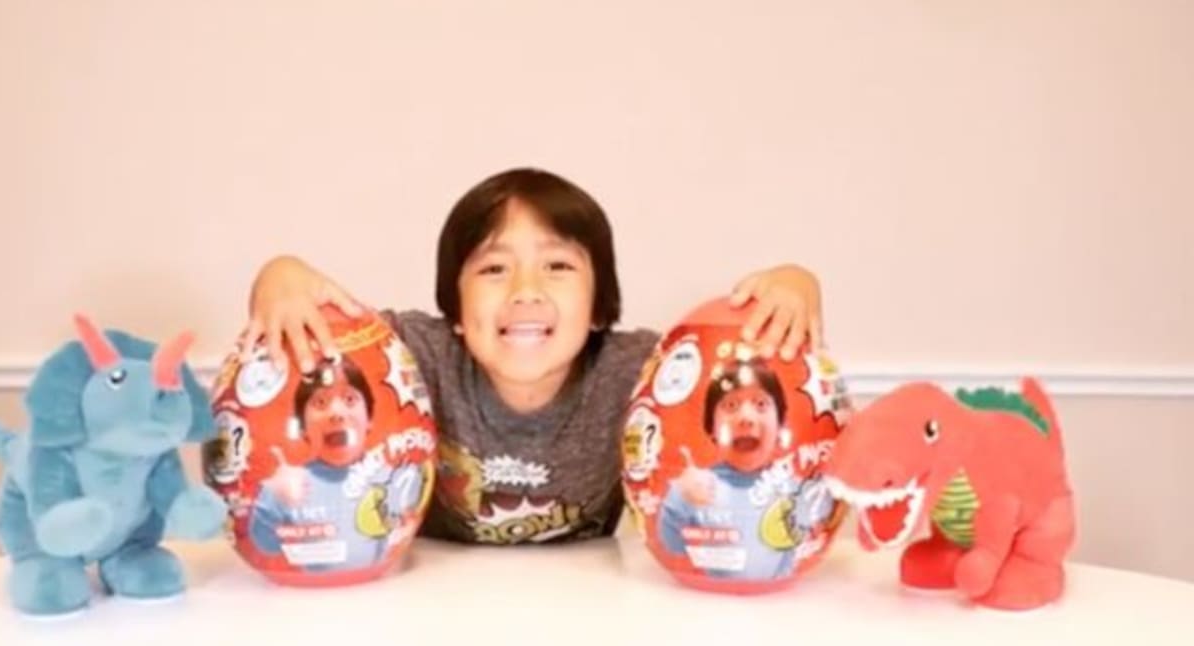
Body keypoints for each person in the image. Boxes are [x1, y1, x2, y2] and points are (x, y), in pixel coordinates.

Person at [243, 167, 826, 545]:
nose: (526, 290)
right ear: (454, 308)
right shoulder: (412, 359)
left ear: (598, 306)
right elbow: (314, 311)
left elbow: (733, 367)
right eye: (494, 268)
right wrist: (279, 274)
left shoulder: (643, 373)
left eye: (558, 265)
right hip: (432, 601)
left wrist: (795, 282)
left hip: (584, 606)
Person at [658, 357, 835, 580]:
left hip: (782, 599)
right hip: (708, 598)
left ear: (780, 424)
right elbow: (671, 546)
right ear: (711, 427)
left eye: (760, 404)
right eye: (731, 405)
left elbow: (822, 521)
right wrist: (679, 498)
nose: (746, 418)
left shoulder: (794, 490)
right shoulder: (696, 487)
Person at [248, 355, 424, 570]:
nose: (336, 413)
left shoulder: (391, 478)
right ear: (302, 427)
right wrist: (274, 500)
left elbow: (396, 536)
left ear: (369, 418)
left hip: (383, 586)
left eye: (349, 400)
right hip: (311, 592)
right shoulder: (290, 482)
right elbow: (265, 546)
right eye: (320, 402)